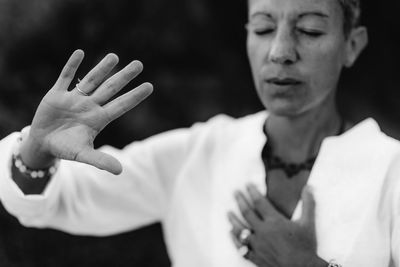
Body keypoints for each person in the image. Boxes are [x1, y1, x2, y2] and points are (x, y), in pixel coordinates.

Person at [0, 0, 398, 266]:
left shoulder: (389, 171)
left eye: (309, 30)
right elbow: (56, 200)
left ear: (351, 44)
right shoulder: (197, 154)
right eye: (262, 28)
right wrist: (36, 150)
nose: (279, 51)